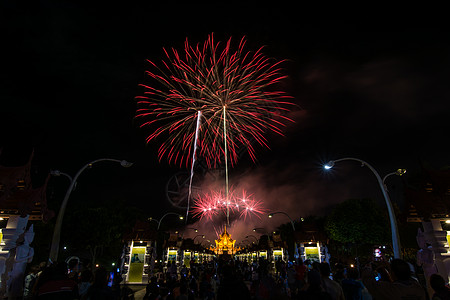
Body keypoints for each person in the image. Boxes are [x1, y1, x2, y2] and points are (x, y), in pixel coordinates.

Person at [362, 258, 426, 300]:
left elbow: (371, 284)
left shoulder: (392, 290)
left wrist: (367, 269)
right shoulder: (418, 288)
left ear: (393, 273)